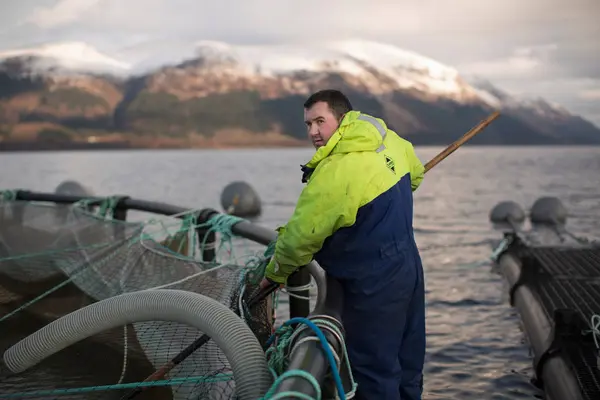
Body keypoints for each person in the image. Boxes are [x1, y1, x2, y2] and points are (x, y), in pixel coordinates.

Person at [260, 89, 426, 400]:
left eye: (320, 122)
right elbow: (415, 175)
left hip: (372, 281)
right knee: (408, 362)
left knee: (374, 372)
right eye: (308, 124)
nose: (313, 132)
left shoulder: (336, 171)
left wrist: (276, 274)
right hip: (408, 267)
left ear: (342, 118)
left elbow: (300, 237)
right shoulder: (389, 139)